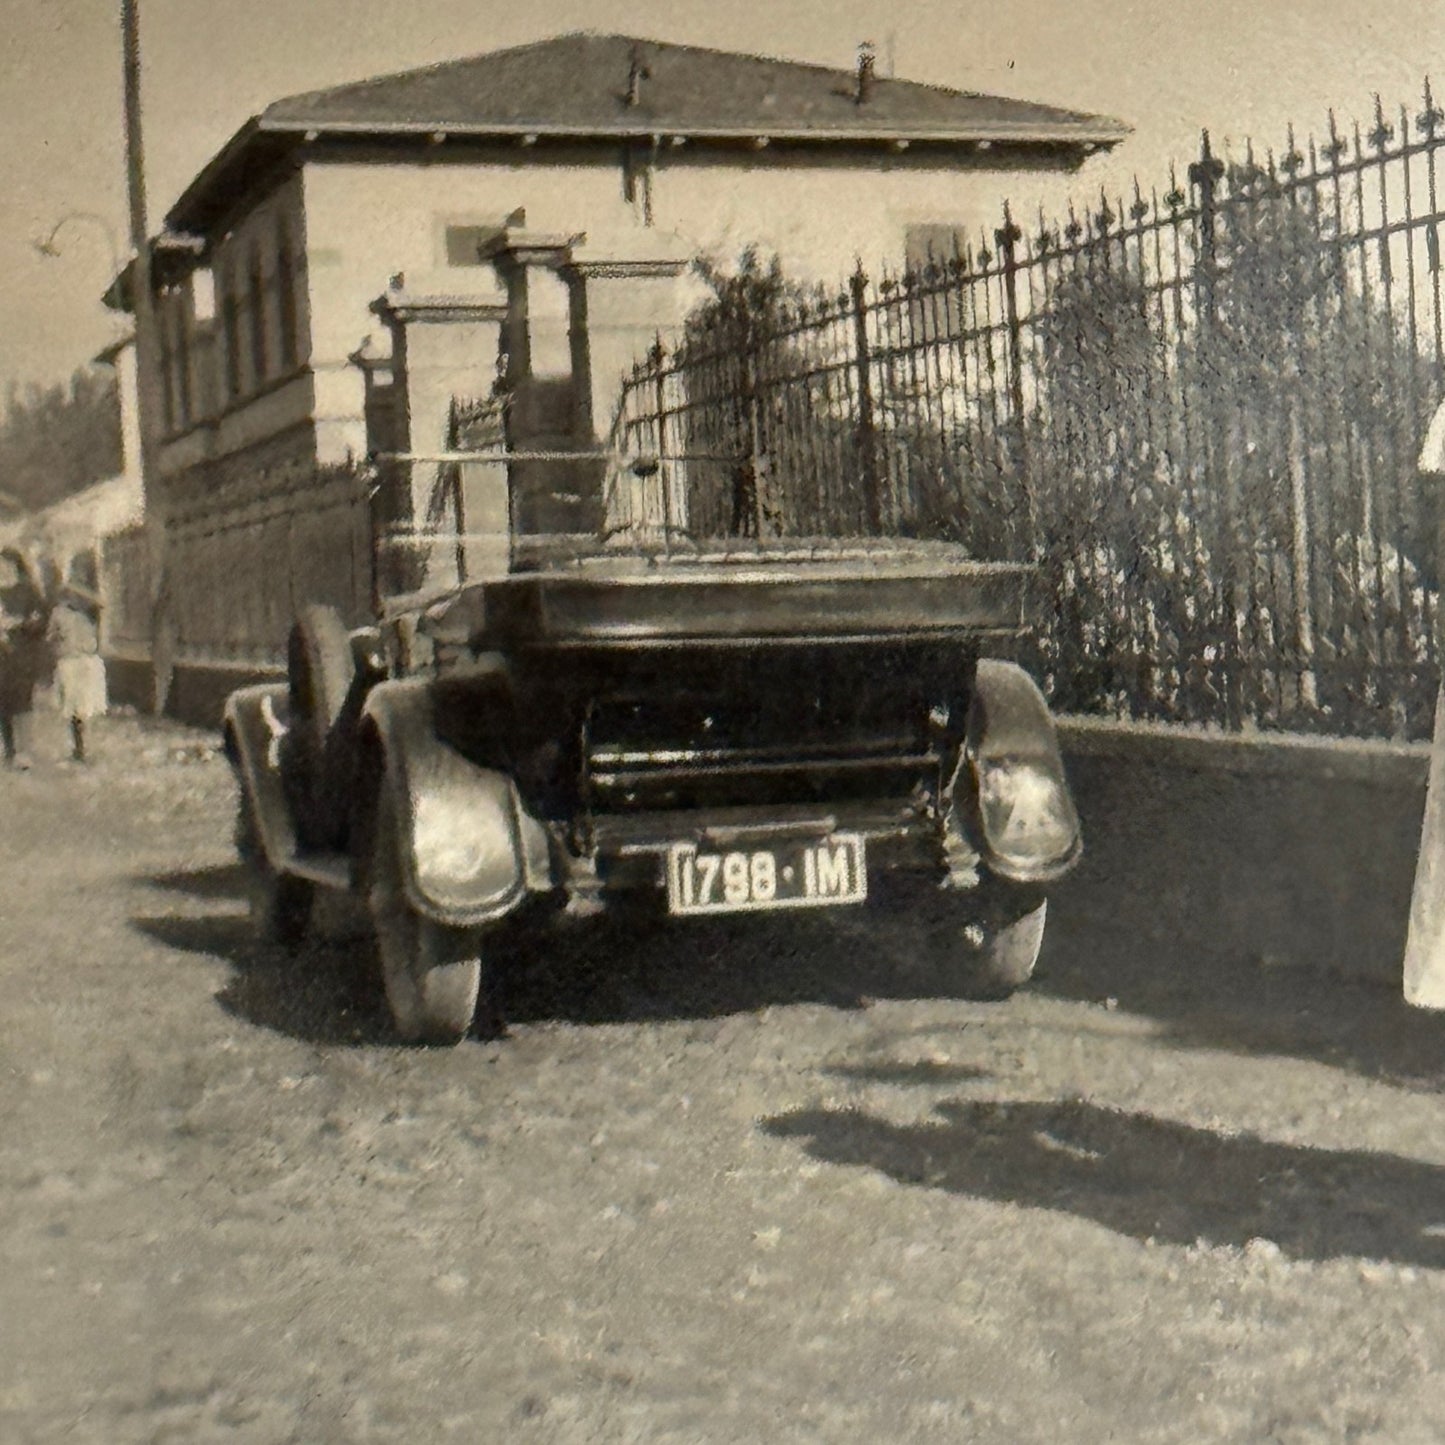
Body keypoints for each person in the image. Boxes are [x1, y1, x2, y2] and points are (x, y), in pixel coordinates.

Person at [46, 576, 106, 764]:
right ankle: (80, 747)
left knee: (82, 707)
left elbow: (50, 637)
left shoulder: (90, 611)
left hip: (82, 662)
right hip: (74, 661)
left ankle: (83, 746)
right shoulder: (64, 612)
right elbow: (50, 636)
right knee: (76, 708)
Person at [0, 546, 49, 768]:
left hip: (23, 656)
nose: (3, 571)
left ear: (16, 567)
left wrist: (19, 624)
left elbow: (41, 621)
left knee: (22, 702)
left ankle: (24, 751)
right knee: (3, 704)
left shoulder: (29, 592)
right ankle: (9, 750)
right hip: (2, 657)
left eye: (6, 567)